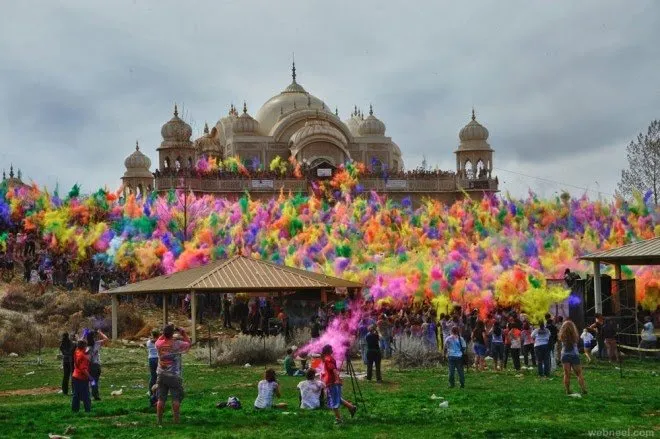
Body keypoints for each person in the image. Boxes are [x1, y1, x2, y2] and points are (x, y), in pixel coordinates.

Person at [156, 324, 191, 425]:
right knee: (176, 398)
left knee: (161, 398)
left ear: (163, 333)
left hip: (161, 374)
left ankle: (159, 420)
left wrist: (165, 333)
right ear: (172, 334)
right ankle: (176, 420)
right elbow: (189, 343)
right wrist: (183, 332)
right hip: (174, 374)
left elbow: (160, 339)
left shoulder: (159, 344)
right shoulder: (177, 344)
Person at [321, 344, 357, 424]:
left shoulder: (328, 359)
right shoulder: (329, 358)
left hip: (332, 382)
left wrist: (337, 379)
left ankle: (338, 419)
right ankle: (351, 407)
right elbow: (331, 371)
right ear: (329, 351)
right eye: (331, 349)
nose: (332, 350)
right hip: (332, 381)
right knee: (337, 398)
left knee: (334, 401)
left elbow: (334, 370)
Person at [558, 320, 587, 395]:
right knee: (579, 374)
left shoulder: (562, 335)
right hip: (574, 355)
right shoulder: (575, 335)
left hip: (565, 355)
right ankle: (583, 389)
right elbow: (577, 342)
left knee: (566, 374)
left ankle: (567, 390)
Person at [86, 329, 108, 401]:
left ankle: (95, 395)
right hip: (97, 366)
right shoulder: (97, 344)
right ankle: (96, 395)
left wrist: (84, 334)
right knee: (96, 381)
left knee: (92, 381)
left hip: (90, 366)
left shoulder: (86, 347)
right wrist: (100, 332)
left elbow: (79, 341)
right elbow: (106, 339)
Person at [71, 339, 91, 413]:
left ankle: (75, 410)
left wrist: (83, 335)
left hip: (75, 376)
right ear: (84, 346)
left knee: (76, 394)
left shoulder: (77, 351)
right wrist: (90, 377)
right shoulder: (83, 356)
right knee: (86, 395)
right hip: (82, 378)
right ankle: (88, 410)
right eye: (86, 345)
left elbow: (79, 343)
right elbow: (83, 369)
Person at [146, 329, 159, 406]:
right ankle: (158, 392)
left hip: (151, 359)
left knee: (153, 376)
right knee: (159, 376)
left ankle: (151, 392)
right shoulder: (159, 341)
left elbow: (152, 340)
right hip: (158, 358)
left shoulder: (148, 342)